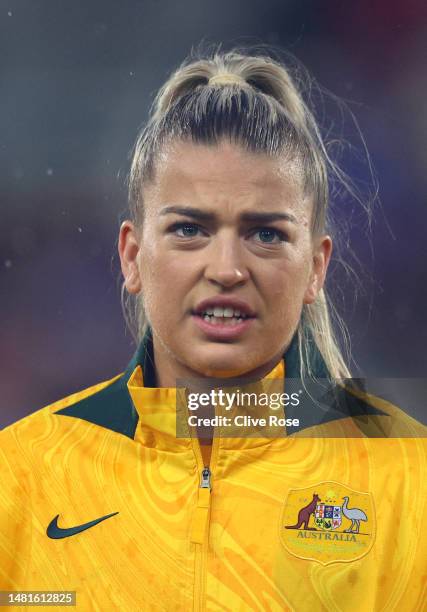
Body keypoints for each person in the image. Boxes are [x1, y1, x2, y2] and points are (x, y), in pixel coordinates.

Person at [0, 47, 425, 611]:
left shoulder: (410, 479)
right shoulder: (20, 476)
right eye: (190, 229)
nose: (226, 268)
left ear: (316, 268)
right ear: (131, 256)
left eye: (266, 234)